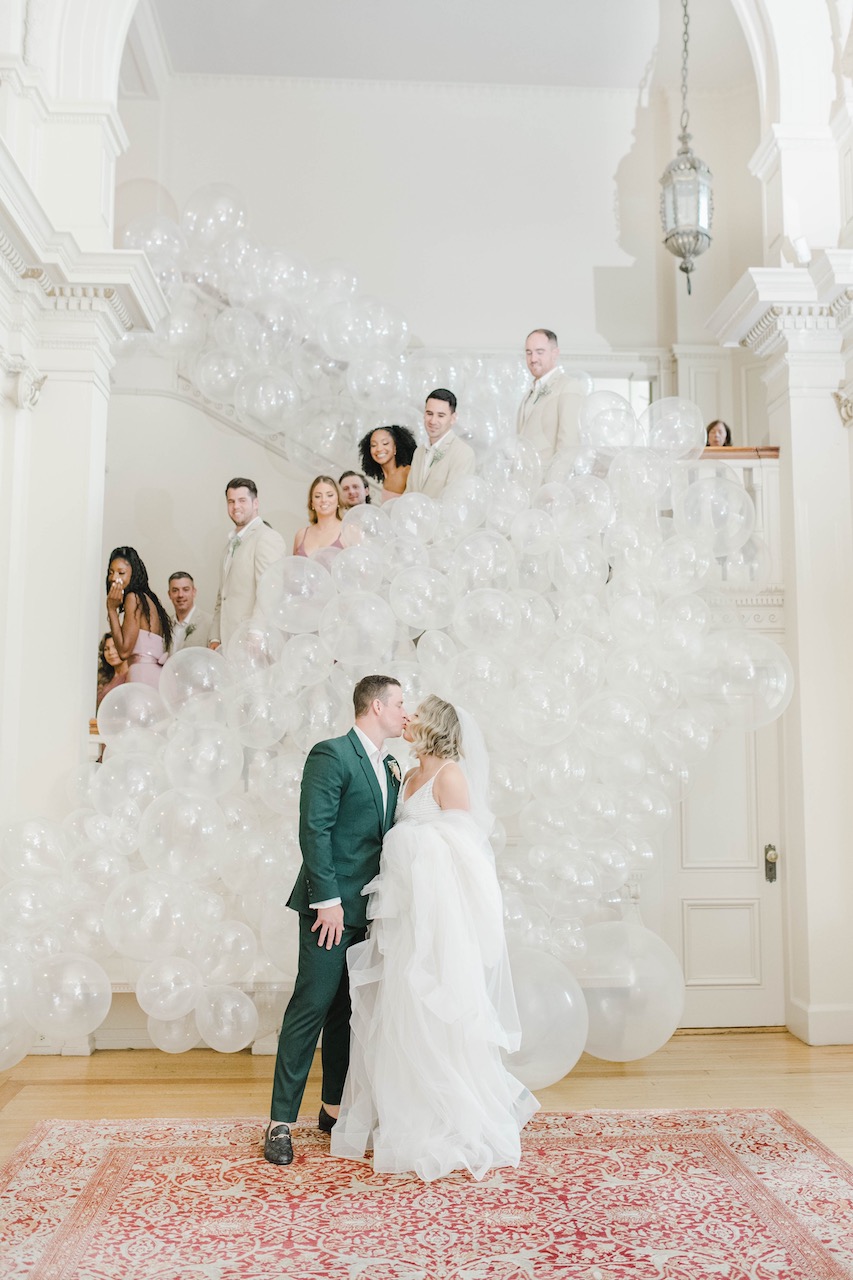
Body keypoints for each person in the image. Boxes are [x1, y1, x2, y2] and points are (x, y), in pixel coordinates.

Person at [331, 695, 539, 1182]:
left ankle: (449, 1116)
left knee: (437, 1008)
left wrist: (417, 848)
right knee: (401, 1006)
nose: (408, 717)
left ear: (434, 727)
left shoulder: (449, 775)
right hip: (402, 918)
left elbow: (469, 853)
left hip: (439, 921)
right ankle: (407, 1107)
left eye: (416, 713)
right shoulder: (406, 776)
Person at [264, 675, 406, 1167]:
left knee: (346, 1013)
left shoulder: (390, 765)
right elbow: (314, 829)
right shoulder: (331, 755)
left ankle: (331, 1110)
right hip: (330, 910)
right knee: (311, 1005)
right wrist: (326, 899)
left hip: (367, 912)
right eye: (400, 703)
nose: (405, 713)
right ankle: (280, 1122)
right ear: (376, 705)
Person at [209, 478, 285, 651]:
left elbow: (270, 591)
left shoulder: (266, 537)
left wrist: (256, 633)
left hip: (253, 642)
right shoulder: (229, 546)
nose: (236, 506)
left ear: (255, 503)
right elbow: (223, 597)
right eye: (231, 501)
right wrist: (214, 637)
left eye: (242, 500)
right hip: (228, 641)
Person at [105, 547, 172, 688]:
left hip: (142, 676)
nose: (114, 578)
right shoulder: (148, 600)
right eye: (111, 572)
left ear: (133, 574)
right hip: (154, 675)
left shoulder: (133, 598)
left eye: (121, 573)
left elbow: (123, 651)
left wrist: (111, 609)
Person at [517, 328, 585, 463]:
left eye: (539, 352)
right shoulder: (528, 394)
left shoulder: (568, 387)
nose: (533, 359)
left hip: (548, 481)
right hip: (524, 480)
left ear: (555, 353)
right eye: (528, 353)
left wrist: (553, 483)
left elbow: (568, 447)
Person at [406, 389, 476, 498]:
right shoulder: (419, 451)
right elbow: (409, 493)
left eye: (441, 415)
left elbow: (453, 501)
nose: (433, 421)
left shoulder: (463, 453)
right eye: (429, 413)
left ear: (453, 418)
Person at [293, 475, 354, 557]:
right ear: (312, 502)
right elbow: (291, 567)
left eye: (330, 495)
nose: (324, 500)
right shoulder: (301, 535)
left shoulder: (350, 531)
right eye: (318, 496)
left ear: (338, 499)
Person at [357, 425, 417, 503]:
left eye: (385, 443)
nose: (379, 449)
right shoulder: (385, 479)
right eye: (374, 445)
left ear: (395, 447)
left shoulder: (407, 472)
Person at [167, 571, 212, 651]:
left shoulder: (209, 623)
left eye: (185, 589)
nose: (180, 595)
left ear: (193, 592)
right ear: (169, 594)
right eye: (175, 590)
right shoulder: (165, 625)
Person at [96, 632, 128, 707]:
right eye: (106, 649)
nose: (111, 652)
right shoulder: (103, 676)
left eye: (115, 647)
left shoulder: (132, 675)